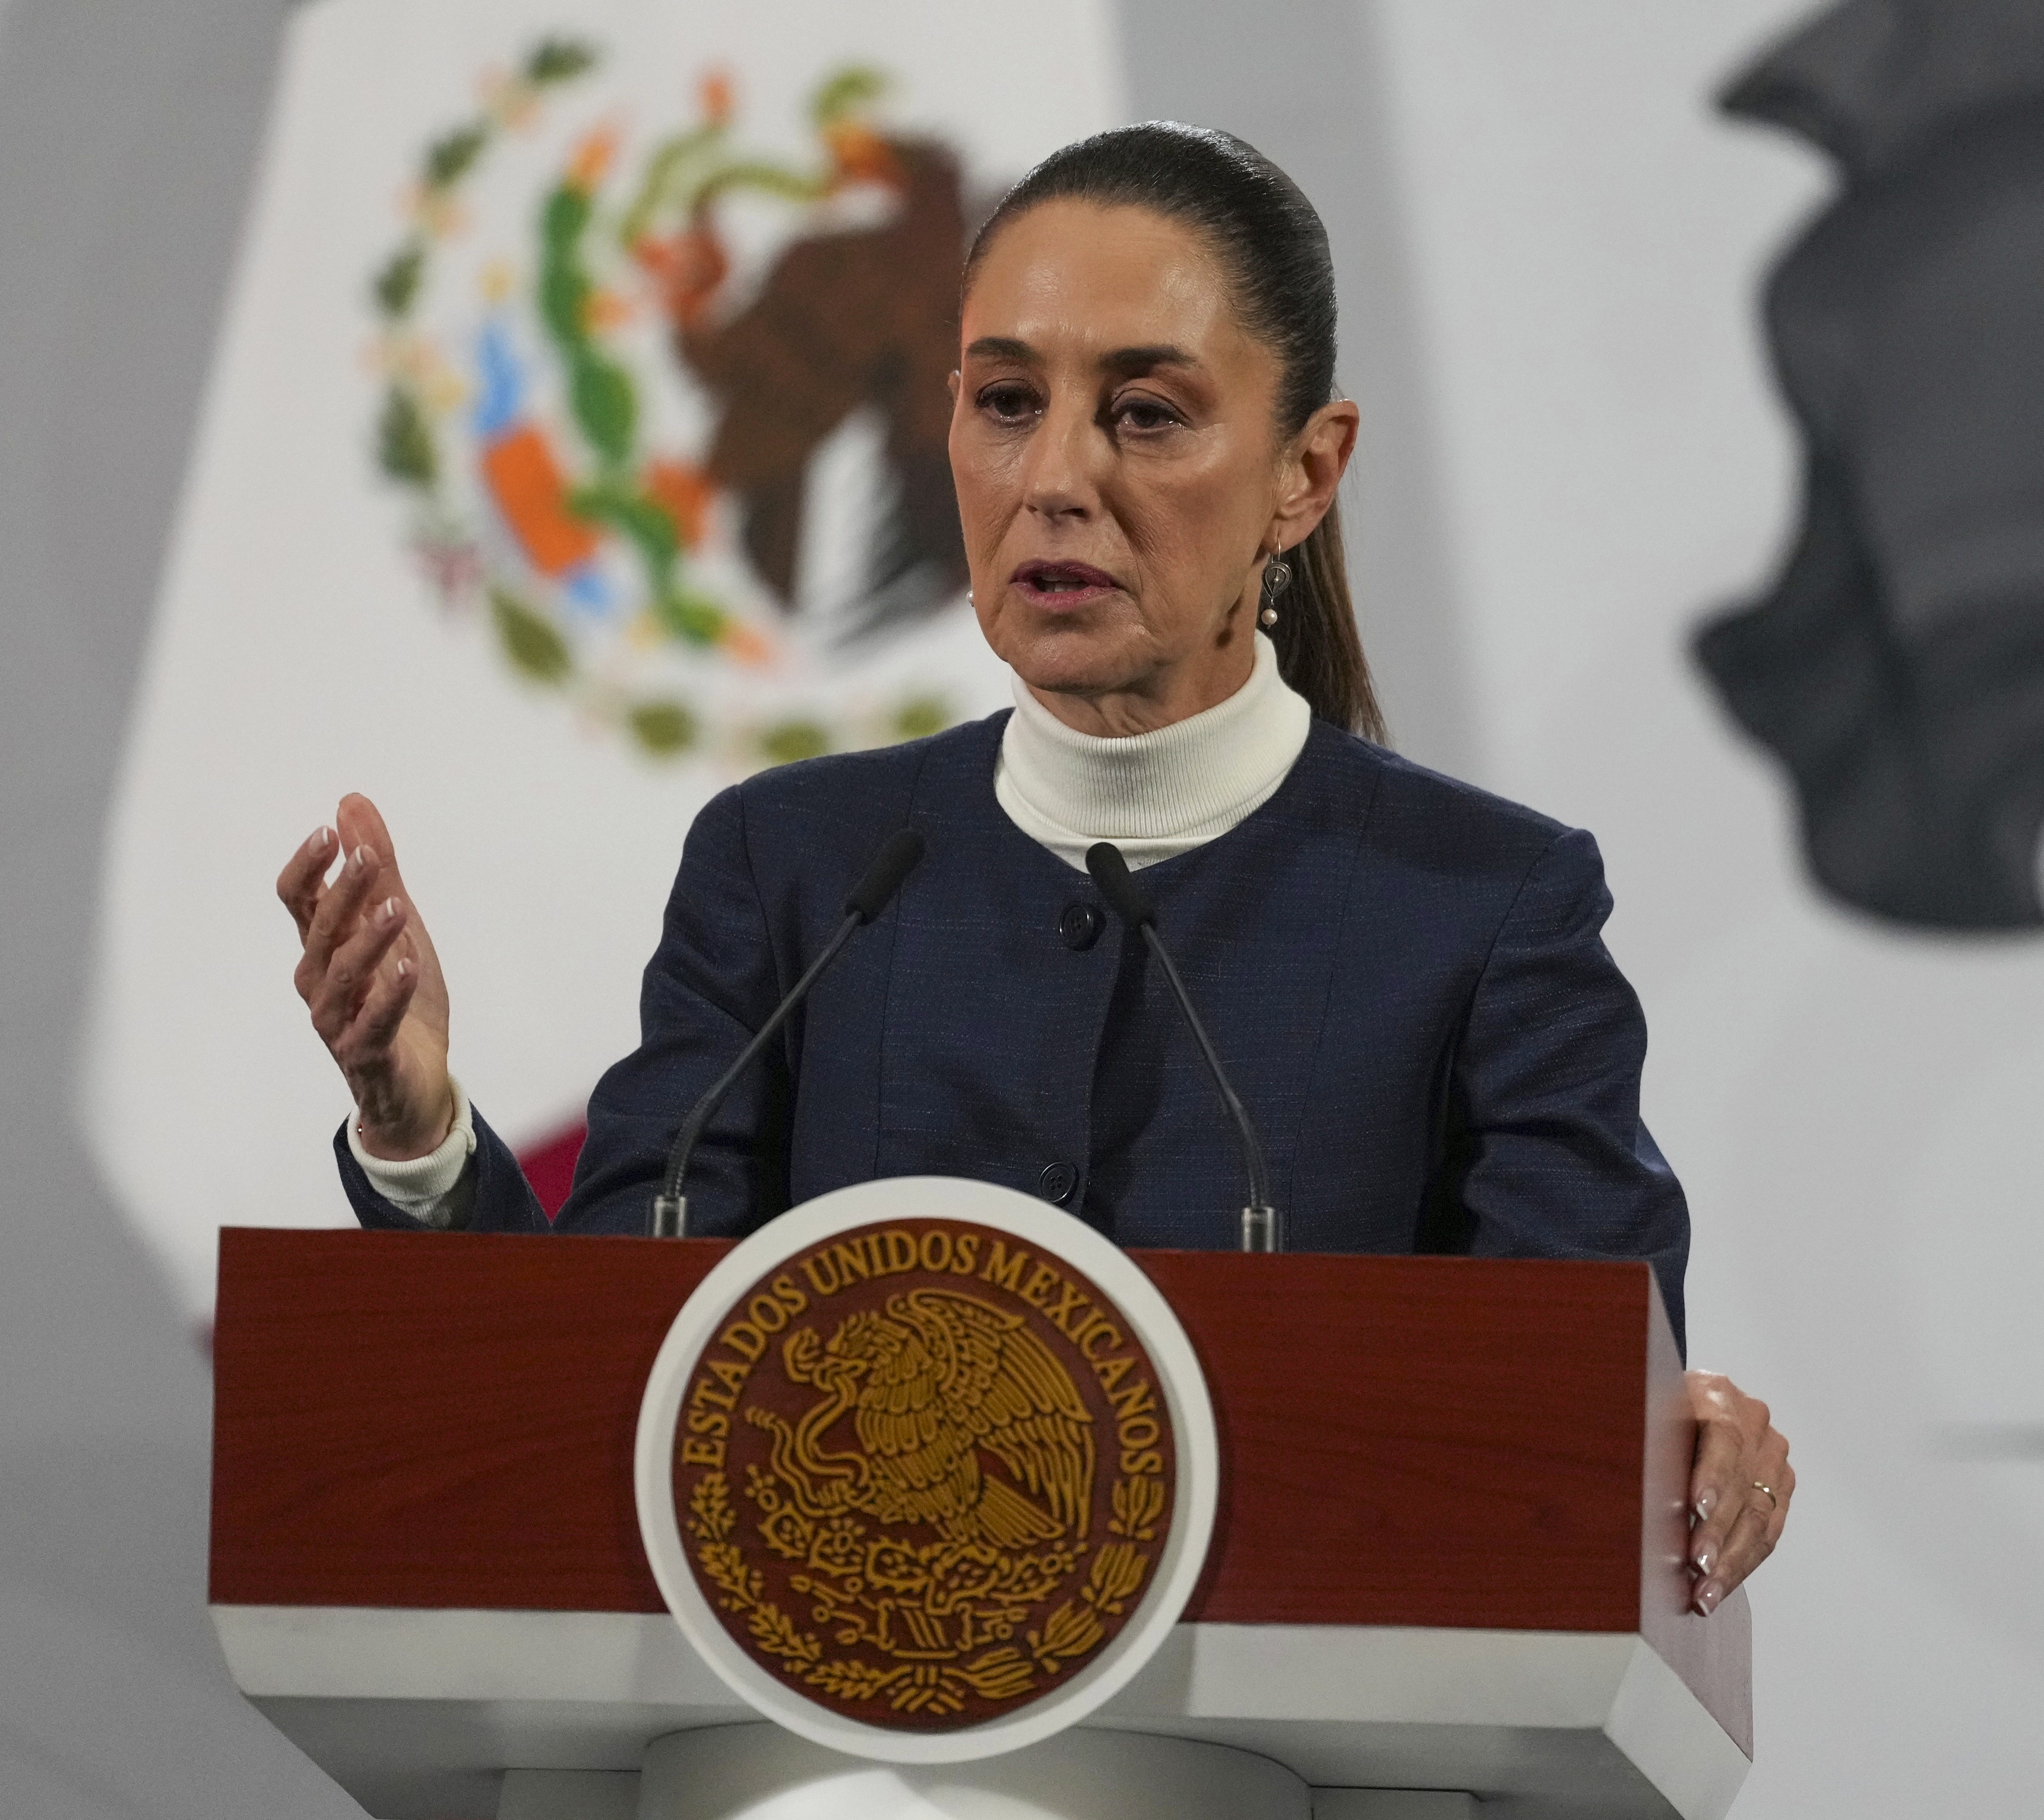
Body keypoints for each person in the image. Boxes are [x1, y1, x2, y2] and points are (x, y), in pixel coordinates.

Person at [275, 124, 1792, 1612]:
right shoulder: (792, 870)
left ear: (1305, 472)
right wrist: (421, 1140)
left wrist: (1650, 1427)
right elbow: (600, 1393)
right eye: (1005, 402)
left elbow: (1560, 1426)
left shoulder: (1485, 910)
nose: (1054, 477)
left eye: (1143, 415)